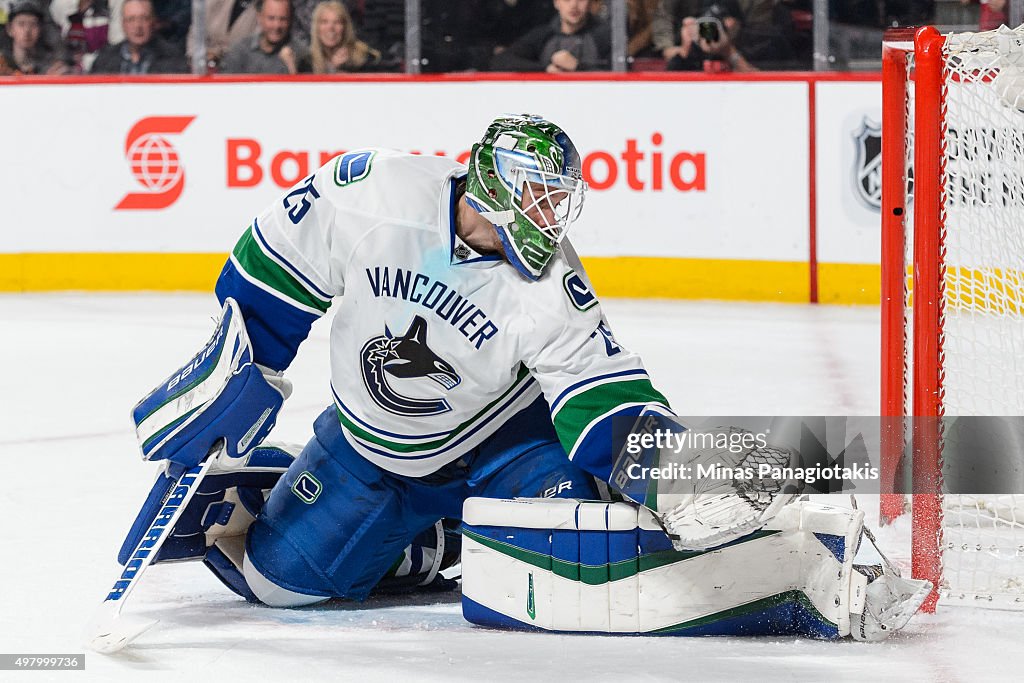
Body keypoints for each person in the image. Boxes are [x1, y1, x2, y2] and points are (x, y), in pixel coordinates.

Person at [118, 114, 930, 640]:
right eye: (536, 198)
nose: (549, 218)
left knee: (574, 545)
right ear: (490, 184)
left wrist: (667, 467)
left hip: (503, 444)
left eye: (558, 202)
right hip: (371, 451)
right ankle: (418, 536)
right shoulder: (375, 193)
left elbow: (598, 393)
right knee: (275, 582)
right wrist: (247, 361)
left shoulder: (552, 282)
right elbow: (269, 270)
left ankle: (797, 565)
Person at [491, 0, 610, 72]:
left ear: (590, 3)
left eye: (581, 0)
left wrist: (578, 67)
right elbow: (501, 61)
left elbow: (618, 71)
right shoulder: (542, 35)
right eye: (567, 0)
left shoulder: (602, 36)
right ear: (556, 3)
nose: (574, 5)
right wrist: (545, 69)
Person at [89, 0, 187, 73]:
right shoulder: (105, 59)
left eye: (144, 18)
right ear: (123, 24)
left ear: (153, 22)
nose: (138, 26)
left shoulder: (173, 59)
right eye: (131, 19)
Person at [219, 0, 308, 74]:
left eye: (283, 19)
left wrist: (292, 68)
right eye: (271, 18)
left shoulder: (301, 54)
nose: (276, 26)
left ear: (291, 20)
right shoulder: (240, 51)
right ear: (259, 17)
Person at [301, 0, 378, 73]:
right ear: (316, 28)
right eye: (324, 22)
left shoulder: (364, 59)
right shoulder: (306, 63)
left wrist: (345, 68)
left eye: (337, 22)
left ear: (345, 27)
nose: (331, 28)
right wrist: (332, 68)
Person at [49, 0, 124, 72]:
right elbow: (54, 41)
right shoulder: (60, 4)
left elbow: (116, 44)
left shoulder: (116, 3)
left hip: (103, 67)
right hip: (68, 67)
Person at [186, 0, 258, 72]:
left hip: (241, 70)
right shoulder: (213, 2)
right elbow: (195, 34)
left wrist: (217, 54)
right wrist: (199, 56)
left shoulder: (264, 9)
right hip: (203, 67)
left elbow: (255, 46)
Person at [0, 0, 67, 74]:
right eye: (21, 24)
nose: (27, 31)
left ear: (40, 29)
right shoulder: (2, 64)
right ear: (10, 29)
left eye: (33, 24)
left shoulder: (52, 66)